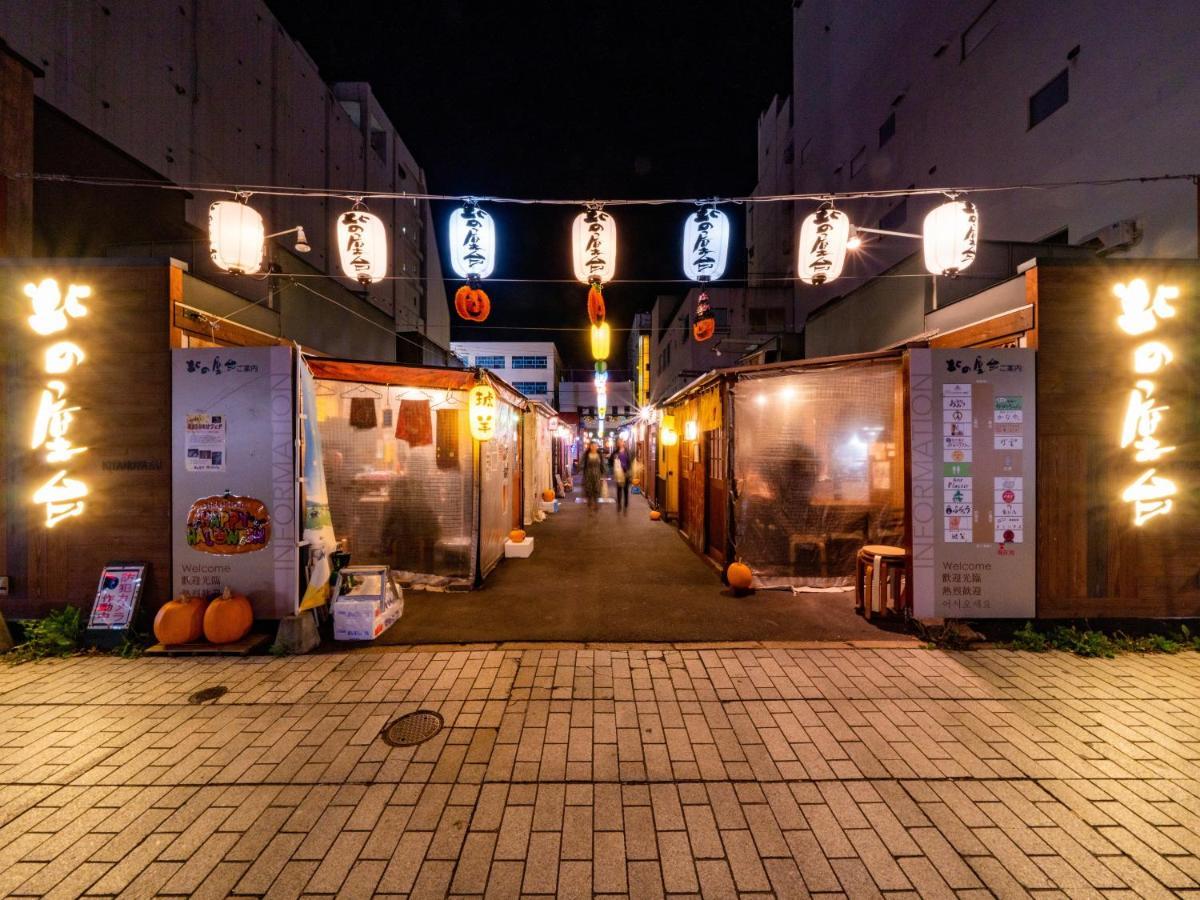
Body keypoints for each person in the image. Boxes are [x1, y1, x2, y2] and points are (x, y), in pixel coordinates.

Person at [609, 437, 632, 512]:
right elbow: (610, 461)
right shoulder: (615, 452)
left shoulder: (627, 451)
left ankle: (625, 505)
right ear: (617, 443)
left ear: (623, 442)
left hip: (626, 472)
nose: (620, 443)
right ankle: (619, 504)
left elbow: (630, 461)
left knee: (625, 490)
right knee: (619, 489)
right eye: (619, 442)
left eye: (621, 441)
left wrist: (629, 470)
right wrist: (613, 467)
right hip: (618, 473)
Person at [582, 441, 604, 512]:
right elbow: (582, 463)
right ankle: (590, 501)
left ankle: (596, 503)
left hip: (597, 474)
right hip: (588, 474)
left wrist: (603, 474)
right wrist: (579, 468)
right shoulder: (586, 455)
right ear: (590, 447)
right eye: (592, 446)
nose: (594, 447)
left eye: (595, 446)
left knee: (597, 489)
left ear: (597, 447)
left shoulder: (599, 455)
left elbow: (602, 465)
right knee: (589, 488)